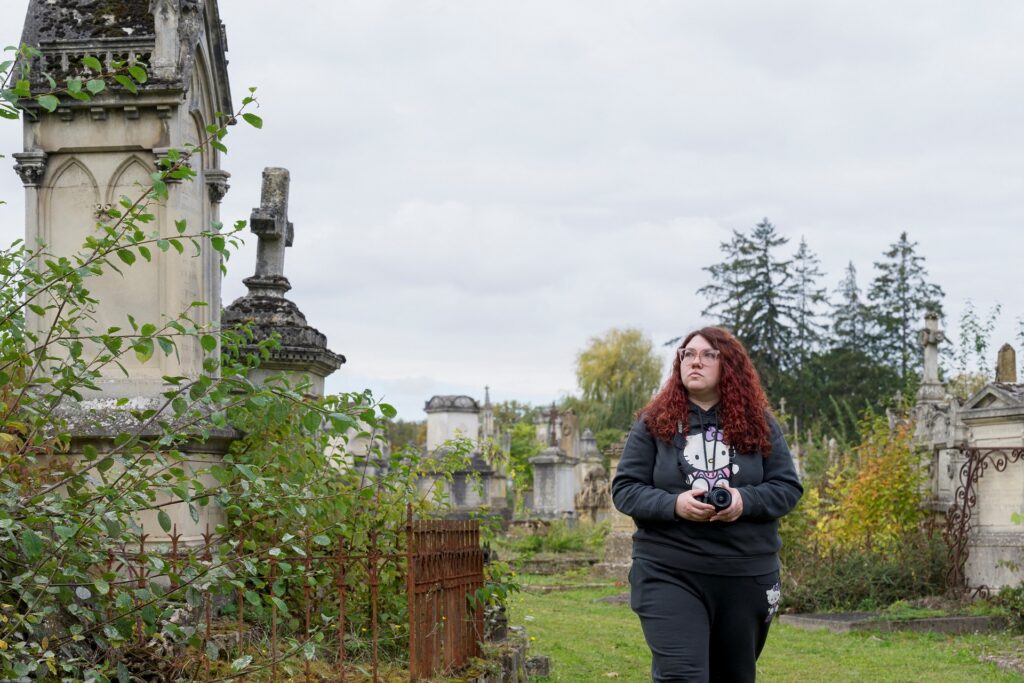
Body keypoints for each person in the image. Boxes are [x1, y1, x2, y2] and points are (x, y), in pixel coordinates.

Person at [612, 326, 803, 683]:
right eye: (687, 354)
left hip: (745, 574)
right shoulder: (654, 424)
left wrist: (743, 499)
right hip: (668, 569)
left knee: (733, 676)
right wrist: (674, 504)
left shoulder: (759, 424)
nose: (694, 361)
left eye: (707, 354)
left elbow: (787, 488)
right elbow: (625, 489)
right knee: (682, 676)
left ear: (728, 365)